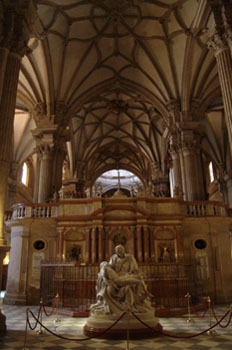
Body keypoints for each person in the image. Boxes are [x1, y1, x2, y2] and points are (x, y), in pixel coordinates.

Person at [90, 245, 153, 314]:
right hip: (118, 277)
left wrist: (133, 274)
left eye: (120, 251)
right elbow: (109, 270)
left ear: (124, 250)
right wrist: (106, 278)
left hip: (128, 274)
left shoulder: (130, 257)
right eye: (117, 251)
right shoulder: (111, 261)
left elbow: (135, 269)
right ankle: (133, 302)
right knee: (132, 284)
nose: (118, 252)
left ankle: (142, 295)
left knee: (139, 278)